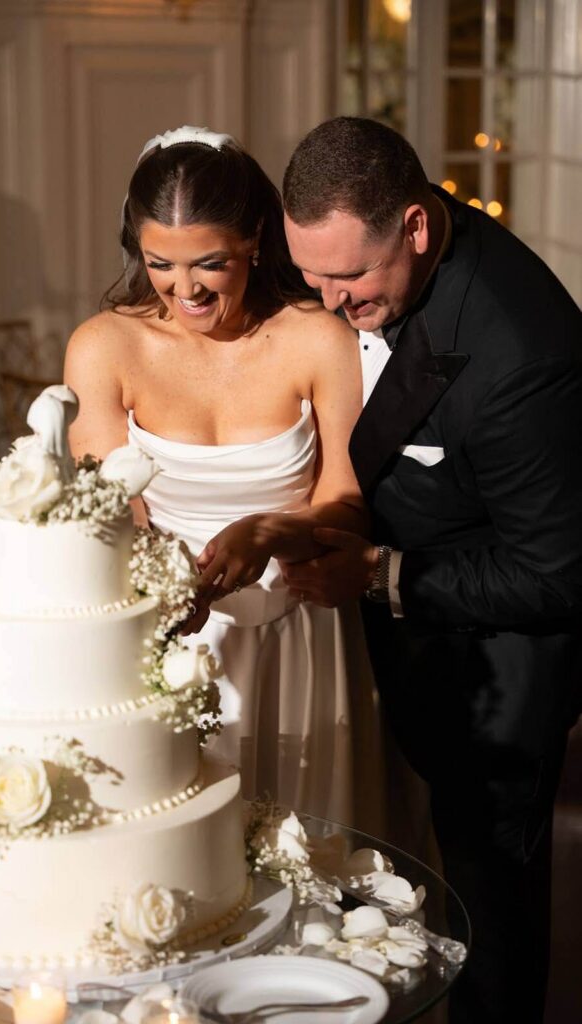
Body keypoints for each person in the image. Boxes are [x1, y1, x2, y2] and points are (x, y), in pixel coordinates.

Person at [281, 115, 582, 1024]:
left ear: (415, 227)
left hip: (491, 677)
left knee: (486, 918)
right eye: (309, 277)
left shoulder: (521, 355)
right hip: (368, 662)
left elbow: (558, 572)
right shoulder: (354, 267)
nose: (327, 303)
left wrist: (378, 578)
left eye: (349, 279)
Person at [64, 125, 385, 830]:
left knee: (311, 859)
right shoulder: (103, 348)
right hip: (176, 636)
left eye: (209, 263)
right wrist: (167, 589)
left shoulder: (317, 338)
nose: (185, 289)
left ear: (256, 241)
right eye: (160, 265)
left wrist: (269, 532)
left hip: (302, 629)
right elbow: (109, 516)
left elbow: (348, 502)